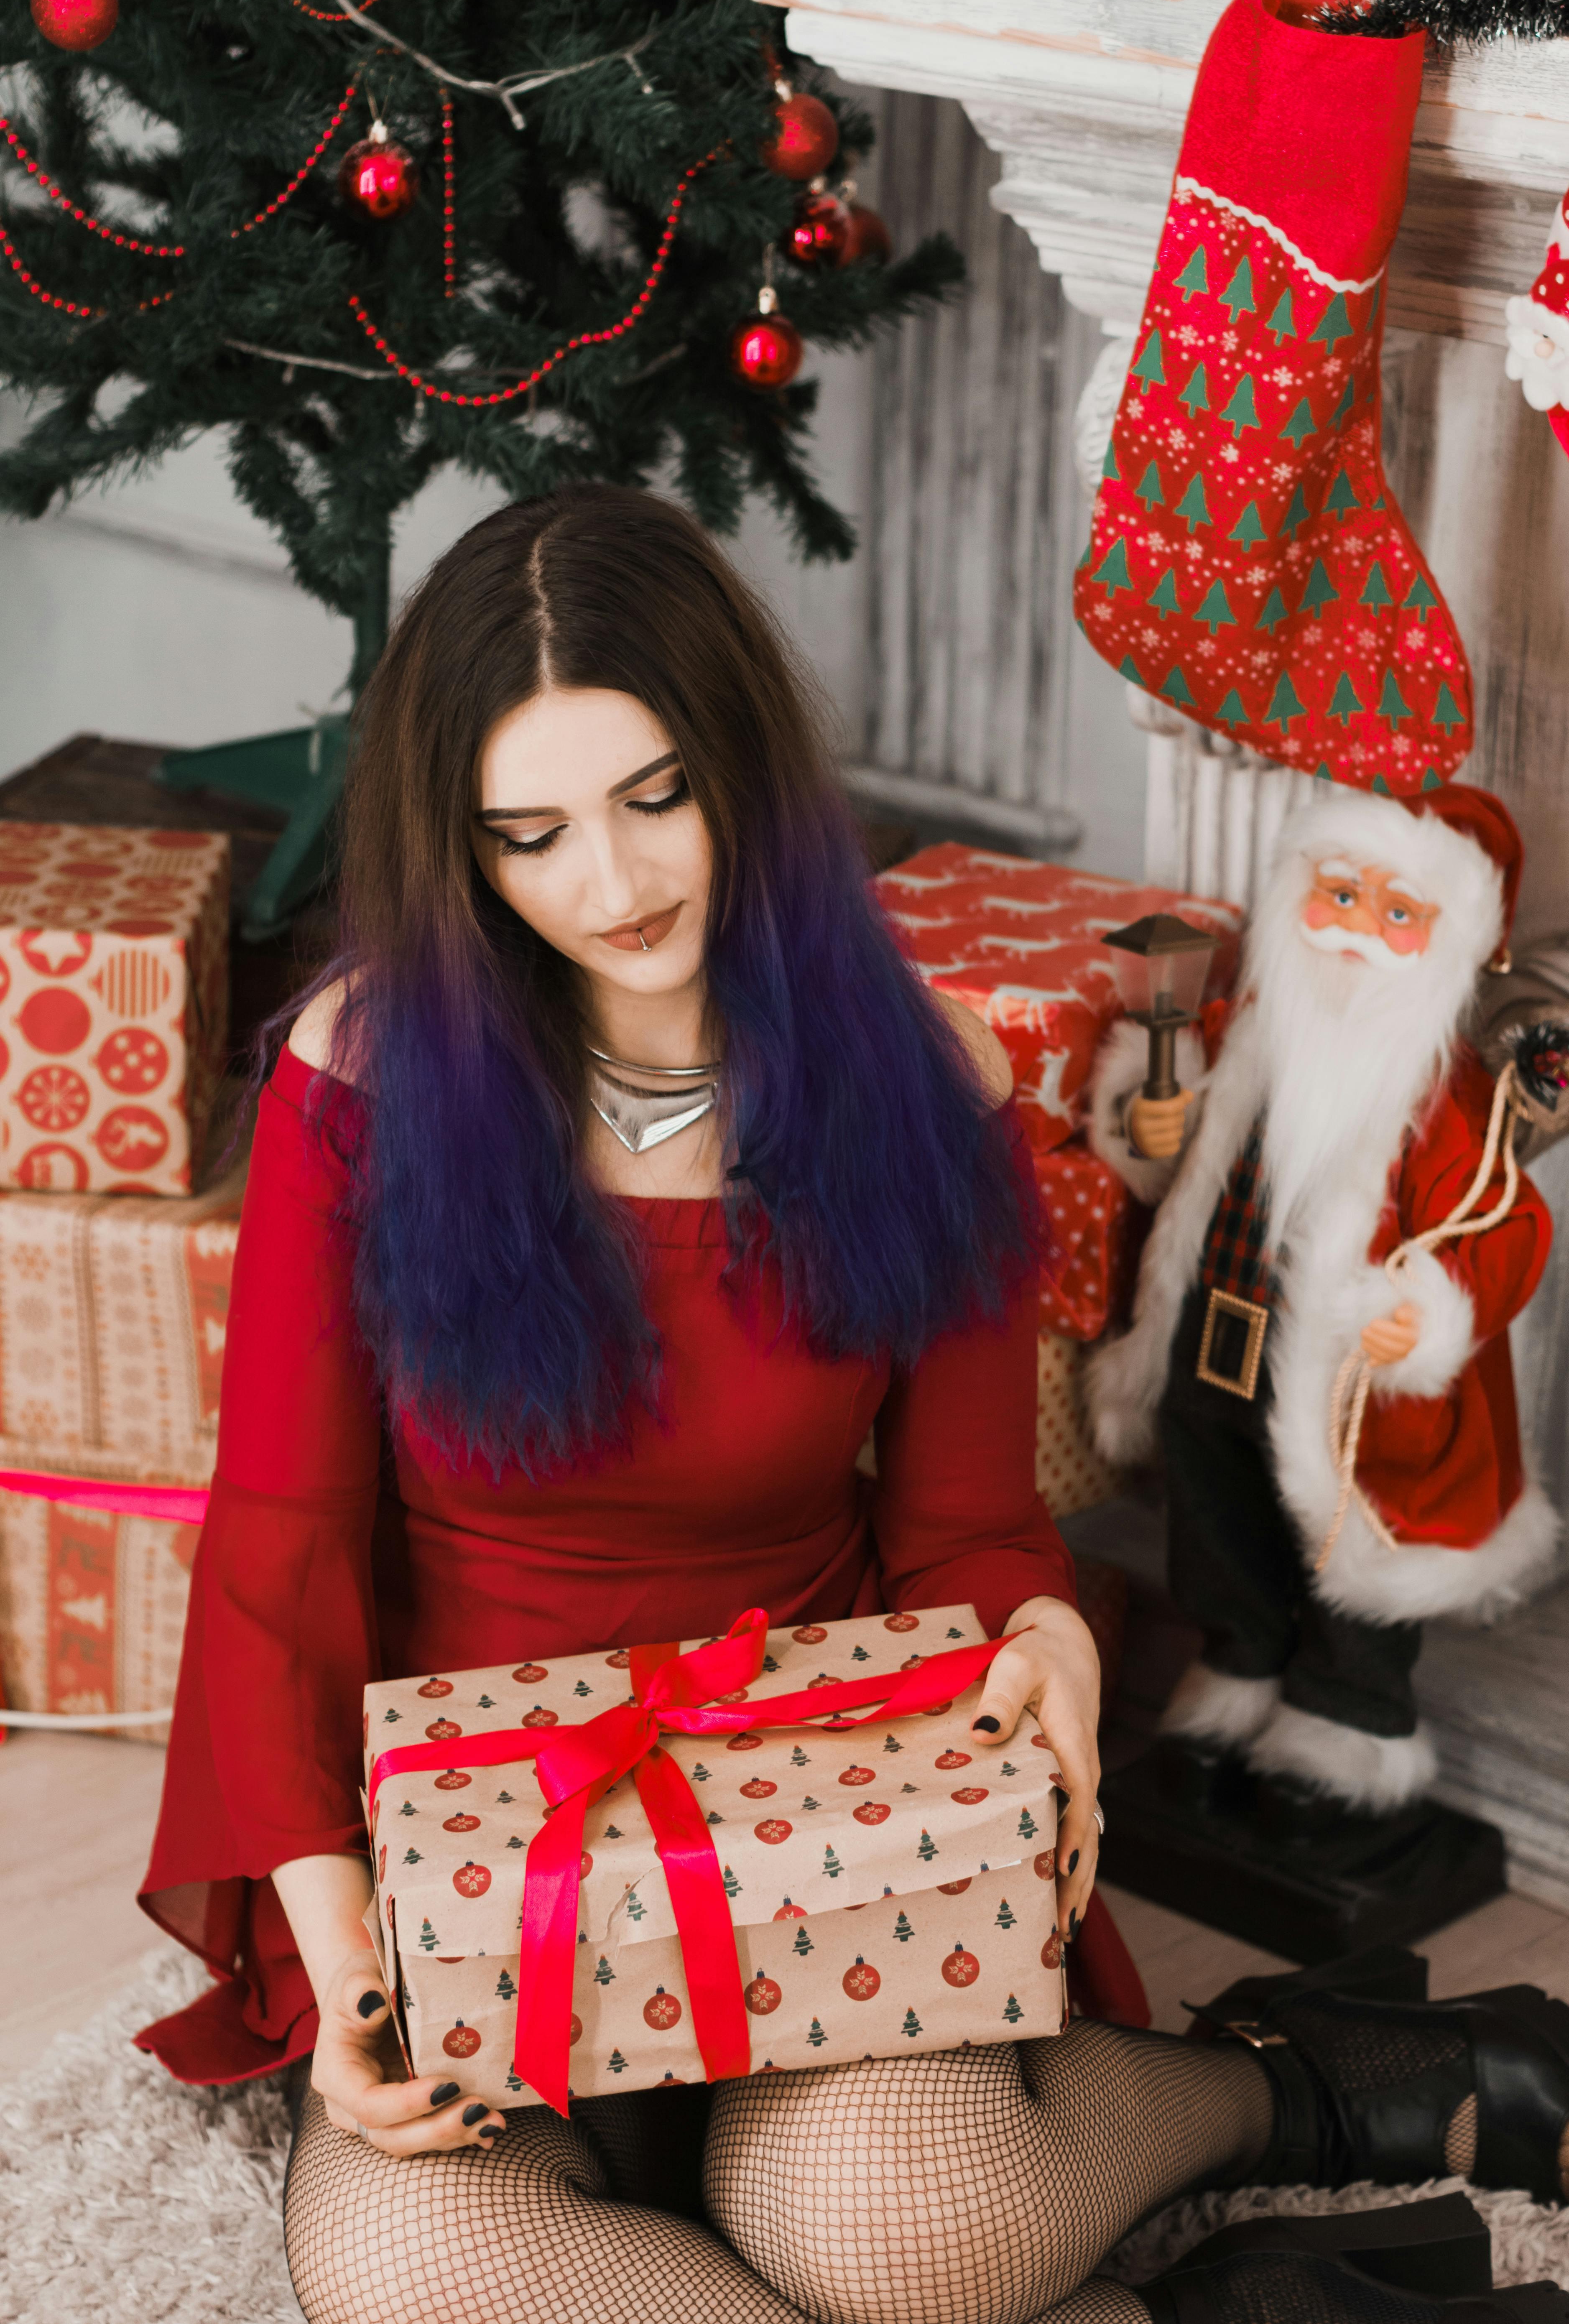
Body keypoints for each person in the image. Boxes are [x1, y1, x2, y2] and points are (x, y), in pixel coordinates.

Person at [138, 491, 1569, 2324]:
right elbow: (281, 1541)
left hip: (827, 1823)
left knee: (903, 2235)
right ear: (461, 849)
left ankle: (1285, 2085)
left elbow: (963, 1525)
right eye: (530, 835)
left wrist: (1041, 1630)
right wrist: (341, 1945)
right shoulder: (359, 1078)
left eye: (656, 796)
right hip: (482, 1856)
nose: (610, 882)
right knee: (416, 2268)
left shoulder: (925, 1075)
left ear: (740, 762)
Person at [1088, 787, 1553, 1814]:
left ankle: (1350, 1716)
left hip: (1344, 1375)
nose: (1354, 928)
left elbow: (1503, 1225)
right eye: (1337, 893)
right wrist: (1148, 1122)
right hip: (1213, 1325)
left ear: (1449, 939)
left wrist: (1424, 1310)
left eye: (1397, 912)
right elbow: (1182, 1141)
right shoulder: (1251, 1028)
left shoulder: (1442, 1099)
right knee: (1214, 1503)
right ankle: (1237, 1661)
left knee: (1348, 1532)